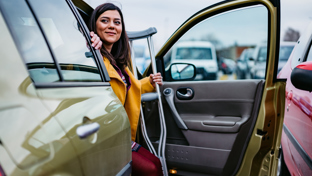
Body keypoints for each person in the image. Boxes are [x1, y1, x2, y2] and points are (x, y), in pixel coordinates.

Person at [88, 3, 163, 176]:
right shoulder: (92, 56)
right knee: (151, 169)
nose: (112, 26)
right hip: (103, 138)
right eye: (105, 21)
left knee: (156, 163)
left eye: (117, 22)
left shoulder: (118, 61)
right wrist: (90, 47)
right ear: (94, 26)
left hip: (119, 134)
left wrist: (149, 82)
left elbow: (127, 86)